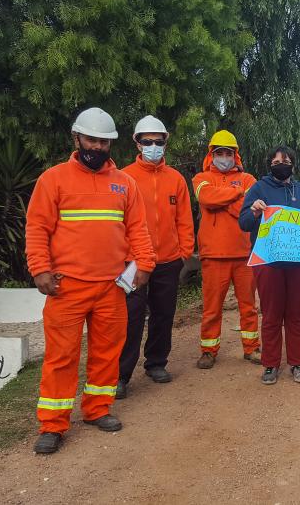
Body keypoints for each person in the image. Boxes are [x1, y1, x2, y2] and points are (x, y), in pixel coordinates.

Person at [25, 107, 156, 454]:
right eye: (91, 139)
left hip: (113, 286)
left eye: (104, 142)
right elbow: (37, 228)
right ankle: (52, 425)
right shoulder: (52, 180)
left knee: (106, 353)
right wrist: (39, 268)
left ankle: (98, 409)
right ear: (76, 138)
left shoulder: (125, 184)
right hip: (66, 287)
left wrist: (144, 263)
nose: (97, 147)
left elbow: (137, 230)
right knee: (61, 357)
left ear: (111, 144)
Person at [116, 115, 195, 399]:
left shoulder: (176, 179)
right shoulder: (123, 178)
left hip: (168, 260)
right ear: (136, 143)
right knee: (130, 318)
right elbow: (117, 223)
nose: (153, 146)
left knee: (163, 315)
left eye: (158, 141)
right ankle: (121, 375)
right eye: (146, 141)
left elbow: (185, 220)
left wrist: (184, 253)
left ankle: (156, 363)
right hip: (133, 264)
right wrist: (124, 257)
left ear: (165, 142)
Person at [239, 146, 300, 385]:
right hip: (269, 263)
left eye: (285, 160)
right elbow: (243, 223)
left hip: (299, 265)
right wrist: (253, 211)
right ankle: (270, 364)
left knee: (296, 314)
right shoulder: (259, 189)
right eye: (275, 161)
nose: (280, 164)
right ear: (269, 165)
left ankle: (297, 362)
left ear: (292, 164)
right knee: (272, 314)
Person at [191, 130, 260, 369]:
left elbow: (248, 210)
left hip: (244, 253)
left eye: (228, 153)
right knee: (211, 308)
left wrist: (225, 201)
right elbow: (207, 199)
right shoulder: (200, 178)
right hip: (213, 254)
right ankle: (208, 351)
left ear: (235, 155)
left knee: (248, 306)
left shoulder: (249, 179)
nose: (224, 157)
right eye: (219, 152)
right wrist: (236, 194)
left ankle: (251, 348)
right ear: (212, 155)